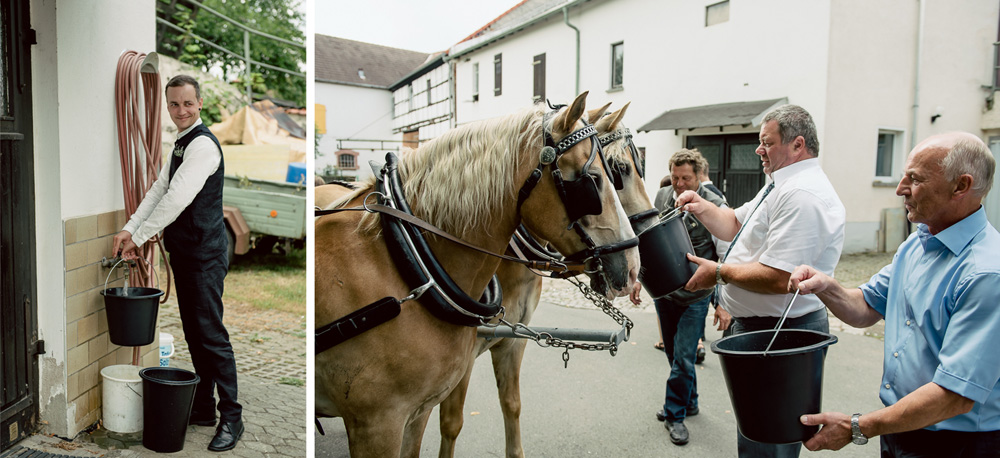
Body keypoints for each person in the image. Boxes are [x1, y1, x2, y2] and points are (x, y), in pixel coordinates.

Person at [788, 132, 1000, 456]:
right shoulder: (918, 243)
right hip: (901, 428)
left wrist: (857, 427)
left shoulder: (986, 275)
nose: (900, 188)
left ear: (961, 186)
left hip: (955, 444)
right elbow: (865, 308)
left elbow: (954, 395)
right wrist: (827, 286)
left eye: (914, 179)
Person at [675, 104, 846, 457]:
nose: (758, 150)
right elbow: (735, 224)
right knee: (755, 434)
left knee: (769, 442)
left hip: (781, 332)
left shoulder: (802, 194)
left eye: (766, 142)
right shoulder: (780, 185)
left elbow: (779, 278)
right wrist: (700, 206)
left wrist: (718, 273)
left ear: (797, 145)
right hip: (760, 327)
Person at [111, 75, 243, 452]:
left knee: (212, 336)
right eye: (174, 104)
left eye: (187, 103)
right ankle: (203, 409)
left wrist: (139, 236)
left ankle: (233, 417)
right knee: (195, 333)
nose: (181, 110)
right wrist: (129, 228)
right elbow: (158, 189)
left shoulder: (203, 146)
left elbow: (176, 199)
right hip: (187, 254)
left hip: (205, 255)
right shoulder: (181, 145)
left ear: (200, 103)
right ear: (167, 107)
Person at [648, 149, 726, 446]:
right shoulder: (661, 197)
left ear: (699, 176)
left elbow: (725, 255)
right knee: (672, 354)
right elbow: (648, 238)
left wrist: (722, 302)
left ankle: (675, 415)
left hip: (697, 295)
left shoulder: (714, 204)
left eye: (686, 178)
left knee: (683, 356)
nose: (680, 184)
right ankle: (689, 401)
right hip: (664, 292)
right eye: (676, 177)